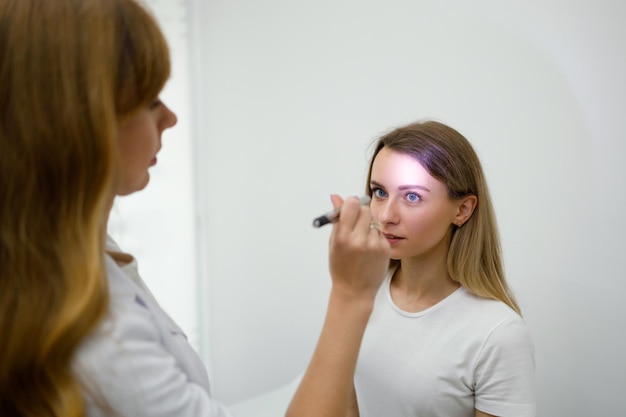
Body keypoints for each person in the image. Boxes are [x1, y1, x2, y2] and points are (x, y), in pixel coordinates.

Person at [0, 1, 390, 416]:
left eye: (413, 195)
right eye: (150, 101)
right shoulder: (97, 331)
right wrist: (350, 296)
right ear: (81, 121)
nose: (170, 118)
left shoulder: (60, 247)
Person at [348, 120, 536, 417]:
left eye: (412, 197)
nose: (385, 216)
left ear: (462, 210)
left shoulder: (498, 334)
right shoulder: (365, 290)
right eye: (380, 192)